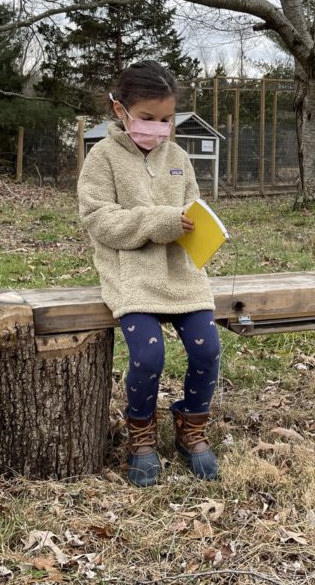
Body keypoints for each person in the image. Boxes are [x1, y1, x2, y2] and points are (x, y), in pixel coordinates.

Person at [77, 60, 221, 487]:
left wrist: (201, 229)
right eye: (147, 118)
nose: (157, 127)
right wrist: (163, 222)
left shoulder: (178, 157)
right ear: (119, 110)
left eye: (165, 119)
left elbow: (192, 208)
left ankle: (191, 428)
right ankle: (141, 436)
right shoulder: (102, 157)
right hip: (131, 274)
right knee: (148, 356)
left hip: (181, 272)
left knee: (207, 350)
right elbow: (99, 220)